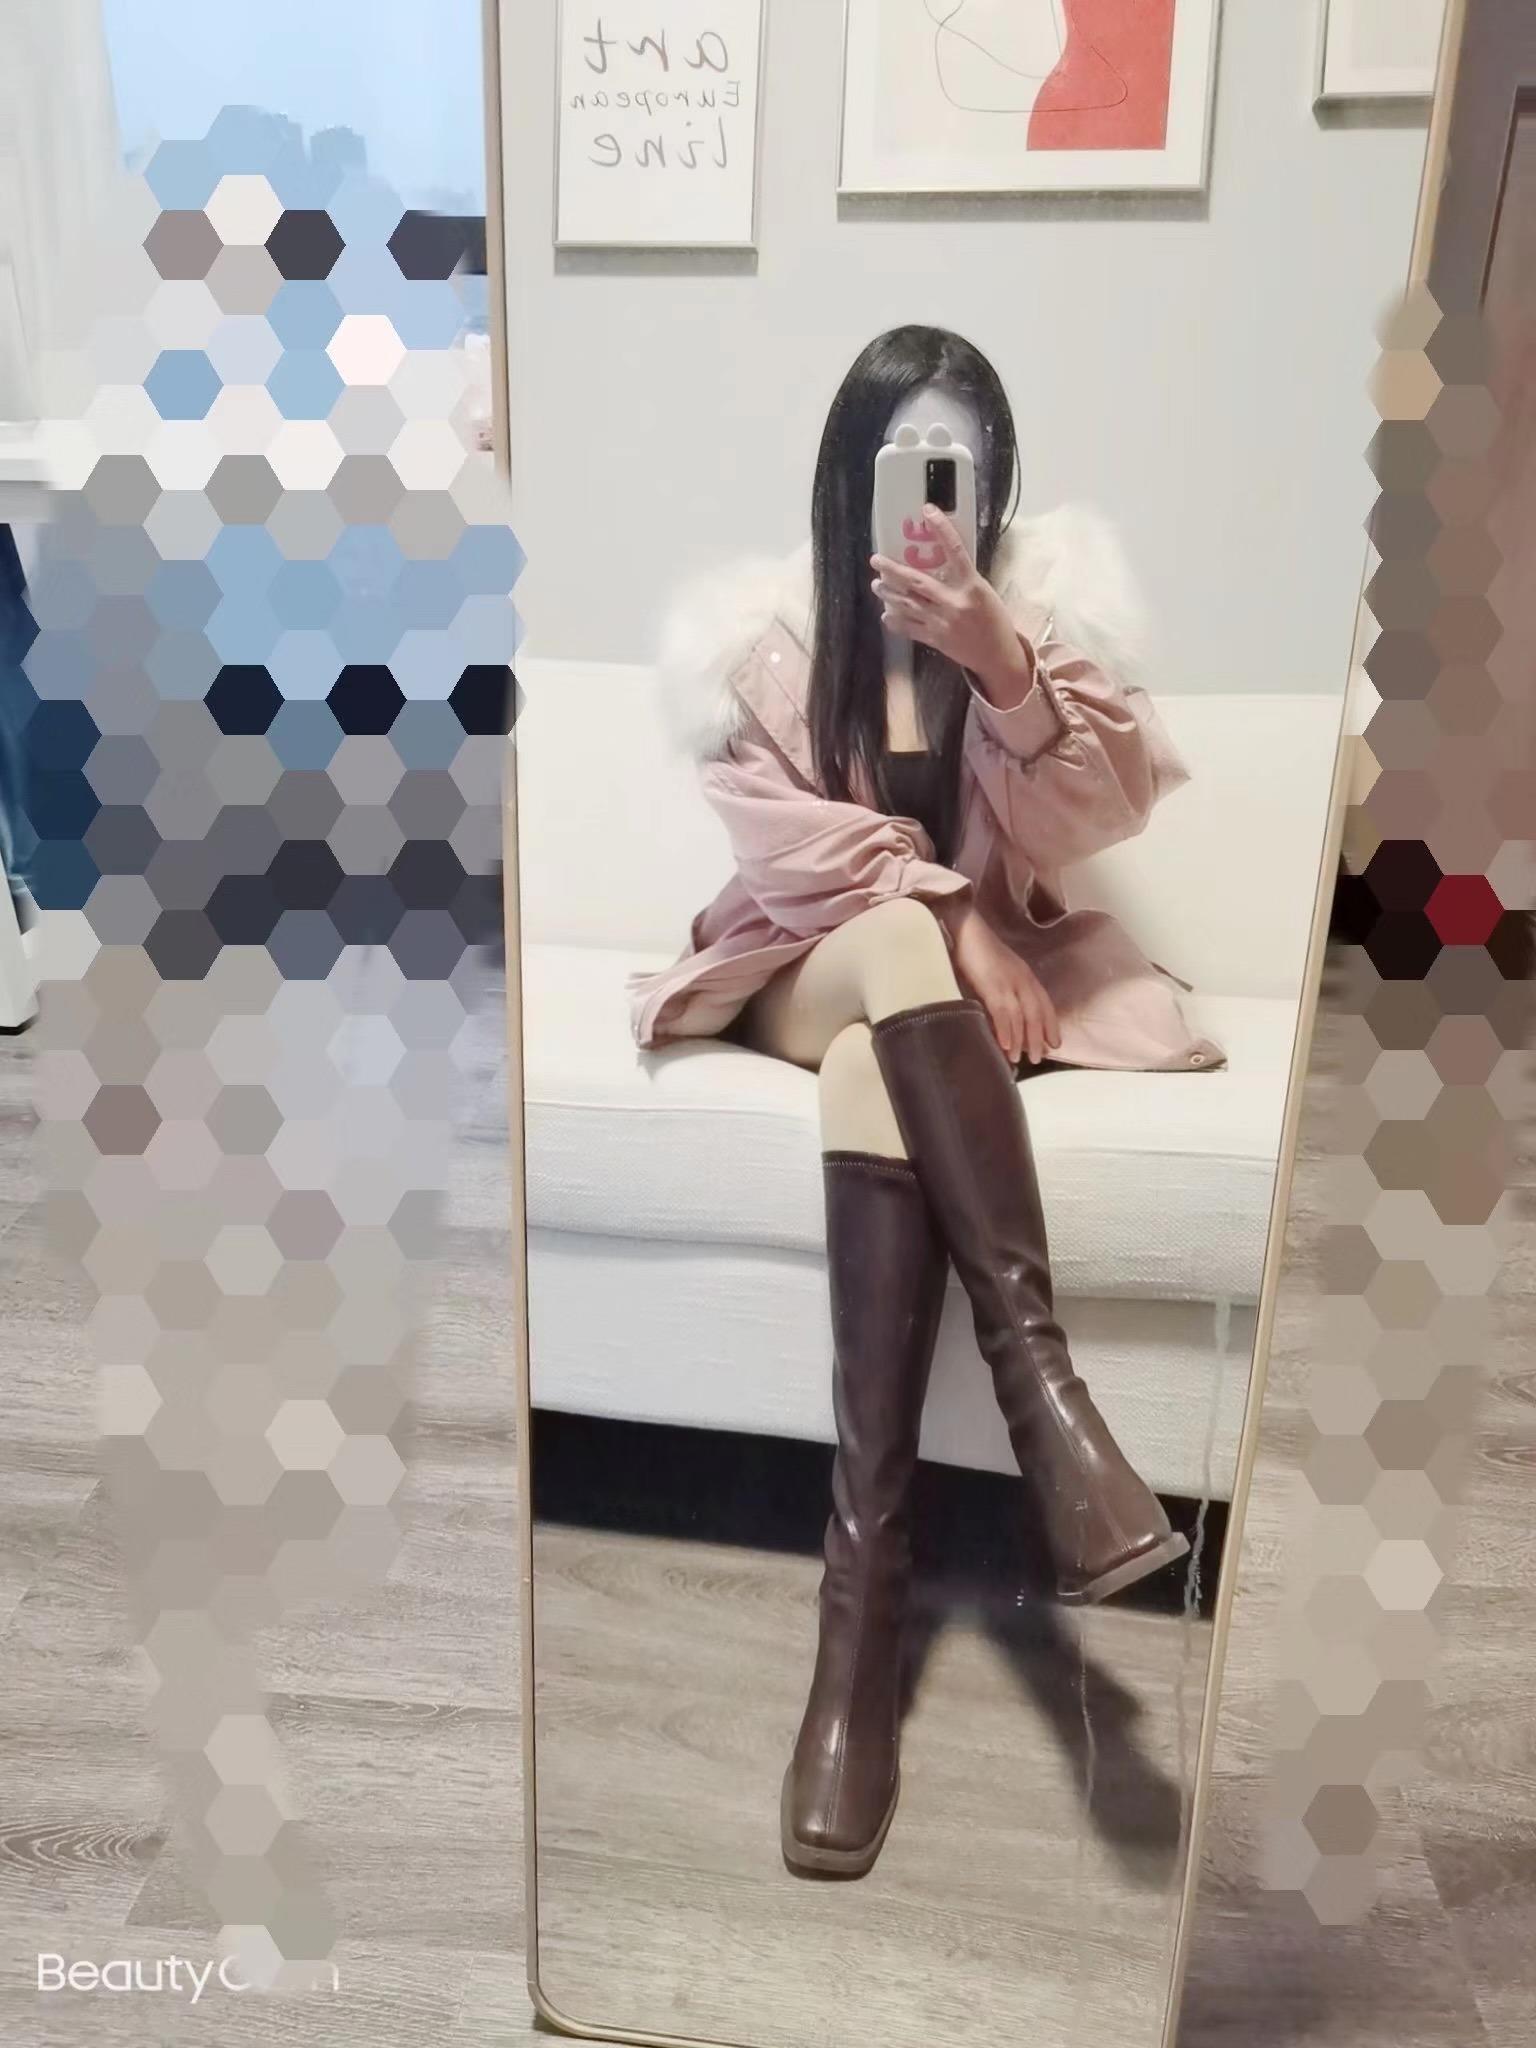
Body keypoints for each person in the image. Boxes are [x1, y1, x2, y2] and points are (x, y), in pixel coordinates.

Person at [629, 325, 1225, 1879]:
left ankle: (862, 1618)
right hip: (800, 965)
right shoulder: (761, 637)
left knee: (875, 1070)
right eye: (907, 457)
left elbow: (1097, 810)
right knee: (897, 945)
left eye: (961, 464)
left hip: (901, 1033)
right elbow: (794, 860)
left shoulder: (1030, 623)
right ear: (852, 469)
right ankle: (1050, 1413)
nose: (932, 495)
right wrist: (958, 919)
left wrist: (998, 660)